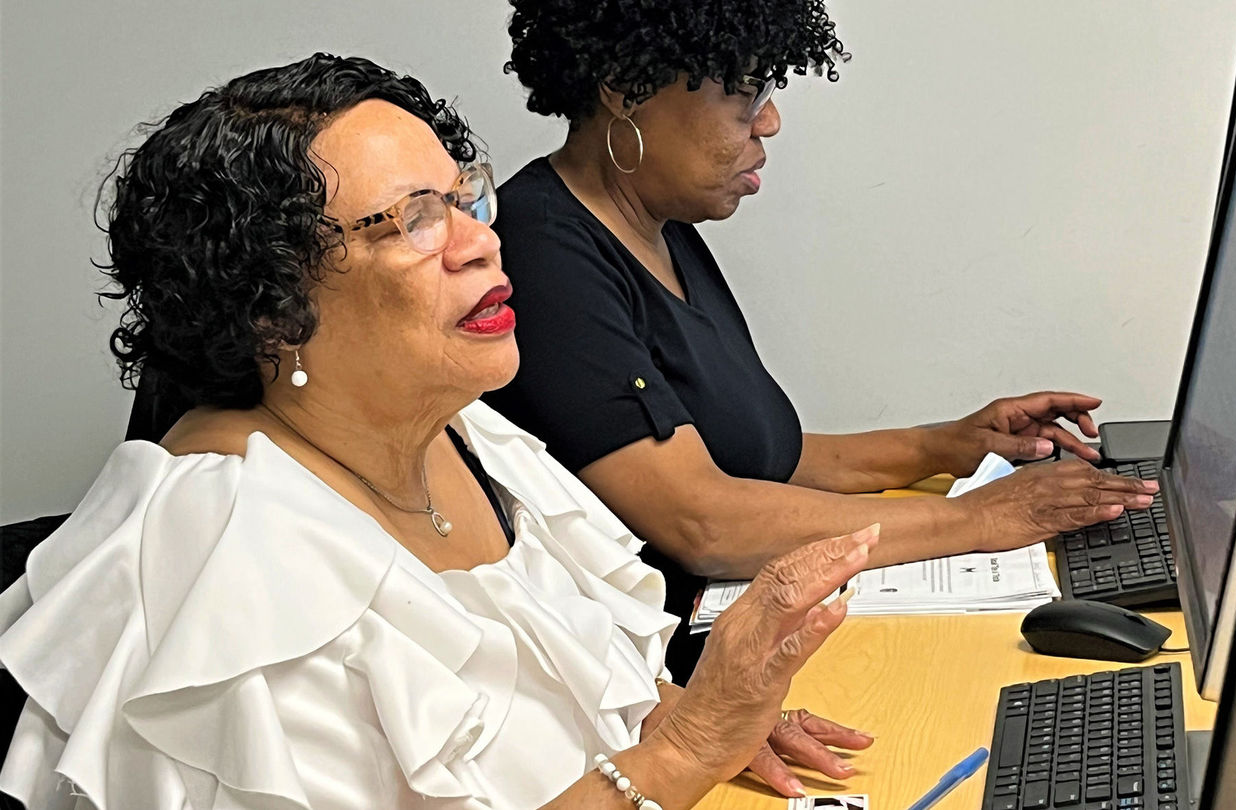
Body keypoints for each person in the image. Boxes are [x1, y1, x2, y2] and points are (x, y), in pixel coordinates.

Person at [0, 54, 876, 809]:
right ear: (271, 307)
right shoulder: (223, 557)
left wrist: (690, 717)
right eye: (416, 218)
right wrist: (685, 754)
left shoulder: (471, 438)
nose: (482, 244)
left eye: (467, 198)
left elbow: (573, 688)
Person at [486, 0, 1159, 677]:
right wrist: (981, 521)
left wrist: (948, 446)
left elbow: (749, 454)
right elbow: (703, 521)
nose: (770, 121)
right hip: (667, 685)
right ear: (626, 89)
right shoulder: (544, 256)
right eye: (747, 92)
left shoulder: (657, 225)